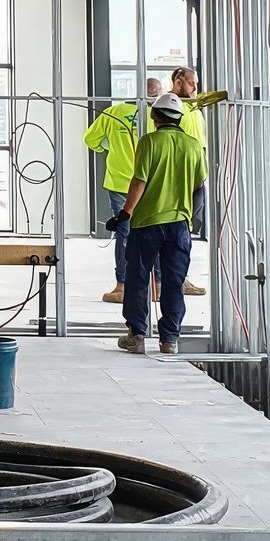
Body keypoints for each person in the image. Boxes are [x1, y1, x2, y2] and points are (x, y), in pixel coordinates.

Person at [104, 92, 206, 355]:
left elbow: (139, 181)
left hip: (147, 223)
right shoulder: (194, 146)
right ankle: (169, 340)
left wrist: (124, 214)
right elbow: (198, 186)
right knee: (174, 281)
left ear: (154, 117)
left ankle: (137, 336)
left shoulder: (149, 142)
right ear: (180, 119)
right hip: (179, 225)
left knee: (138, 277)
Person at [84, 76, 162, 303]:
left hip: (120, 184)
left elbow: (90, 140)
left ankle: (122, 285)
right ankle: (156, 287)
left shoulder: (113, 112)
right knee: (156, 233)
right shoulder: (157, 116)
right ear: (156, 95)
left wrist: (108, 147)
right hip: (150, 183)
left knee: (124, 234)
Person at [169, 66, 211, 297]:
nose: (195, 87)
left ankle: (179, 277)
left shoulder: (193, 108)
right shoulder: (173, 108)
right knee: (178, 233)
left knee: (185, 232)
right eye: (192, 83)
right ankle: (174, 279)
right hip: (180, 181)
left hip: (196, 178)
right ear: (178, 82)